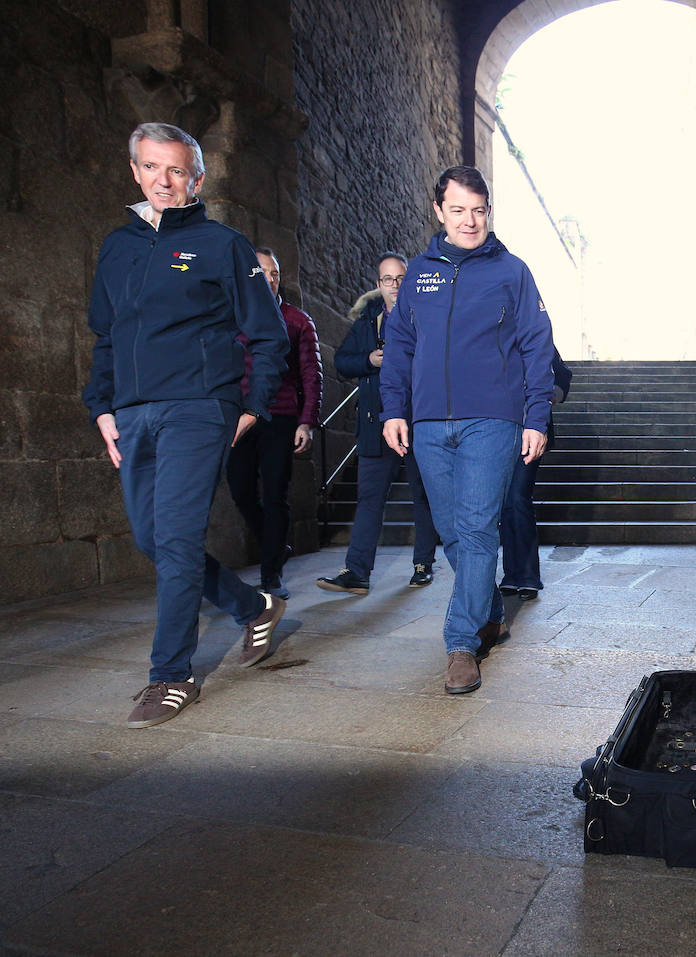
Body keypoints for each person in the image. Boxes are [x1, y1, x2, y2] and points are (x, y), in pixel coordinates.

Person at [82, 122, 291, 728]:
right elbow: (106, 336)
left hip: (200, 405)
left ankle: (170, 675)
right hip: (133, 409)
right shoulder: (117, 246)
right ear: (135, 171)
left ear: (197, 178)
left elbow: (267, 331)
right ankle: (253, 608)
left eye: (176, 170)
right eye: (151, 168)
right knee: (153, 540)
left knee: (174, 539)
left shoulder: (221, 244)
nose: (163, 181)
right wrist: (101, 406)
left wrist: (252, 402)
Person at [381, 165, 555, 694]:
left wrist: (536, 415)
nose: (469, 220)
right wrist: (394, 408)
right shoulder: (418, 273)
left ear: (488, 211)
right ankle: (490, 610)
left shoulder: (512, 271)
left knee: (478, 529)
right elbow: (401, 347)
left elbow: (536, 345)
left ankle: (461, 643)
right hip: (430, 421)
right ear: (439, 212)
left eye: (479, 210)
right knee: (453, 532)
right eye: (458, 210)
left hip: (493, 420)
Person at [317, 252, 439, 594]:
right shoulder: (367, 321)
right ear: (378, 285)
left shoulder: (425, 316)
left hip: (417, 421)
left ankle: (423, 564)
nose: (395, 285)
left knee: (423, 495)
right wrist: (370, 359)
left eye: (400, 278)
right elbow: (342, 361)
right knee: (369, 499)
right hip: (375, 424)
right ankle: (357, 572)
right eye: (388, 279)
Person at [226, 247, 322, 599]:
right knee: (240, 491)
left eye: (274, 272)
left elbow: (311, 375)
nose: (268, 278)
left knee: (276, 493)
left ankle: (271, 574)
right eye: (260, 271)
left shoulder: (297, 320)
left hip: (280, 417)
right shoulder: (232, 318)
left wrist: (306, 422)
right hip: (239, 419)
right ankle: (277, 544)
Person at [498, 349, 572, 601]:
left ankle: (528, 576)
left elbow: (562, 375)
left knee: (518, 497)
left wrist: (547, 395)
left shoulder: (536, 333)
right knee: (506, 502)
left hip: (532, 429)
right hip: (497, 430)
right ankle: (511, 574)